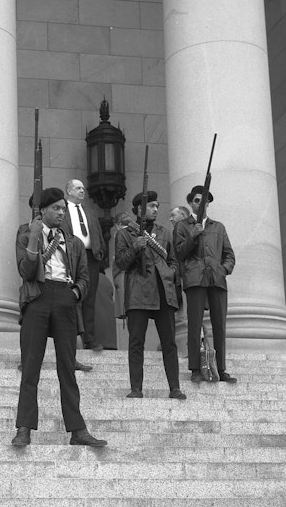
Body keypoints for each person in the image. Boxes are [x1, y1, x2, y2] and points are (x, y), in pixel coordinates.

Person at [11, 187, 106, 448]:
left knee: (68, 367)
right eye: (56, 208)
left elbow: (85, 277)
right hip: (37, 297)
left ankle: (78, 430)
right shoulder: (25, 234)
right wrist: (33, 238)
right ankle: (24, 428)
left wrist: (75, 293)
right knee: (31, 367)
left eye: (63, 209)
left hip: (65, 297)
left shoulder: (73, 241)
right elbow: (26, 271)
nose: (61, 213)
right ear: (42, 210)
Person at [114, 191, 185, 400]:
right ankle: (136, 388)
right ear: (138, 209)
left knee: (169, 342)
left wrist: (171, 272)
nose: (156, 209)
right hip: (138, 291)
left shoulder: (164, 233)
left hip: (164, 289)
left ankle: (175, 387)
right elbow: (120, 263)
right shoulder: (126, 234)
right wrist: (135, 248)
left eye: (157, 206)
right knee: (136, 341)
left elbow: (173, 260)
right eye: (152, 205)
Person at [174, 185, 237, 384]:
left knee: (220, 325)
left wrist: (223, 269)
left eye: (204, 200)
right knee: (194, 325)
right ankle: (195, 369)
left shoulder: (218, 227)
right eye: (196, 200)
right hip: (195, 280)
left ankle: (221, 368)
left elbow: (229, 255)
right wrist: (193, 235)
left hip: (216, 280)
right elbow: (179, 254)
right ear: (191, 203)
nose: (201, 204)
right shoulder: (182, 226)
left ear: (208, 203)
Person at [64, 179, 106, 351]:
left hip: (90, 257)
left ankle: (89, 339)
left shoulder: (89, 212)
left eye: (83, 188)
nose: (82, 191)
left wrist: (100, 252)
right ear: (68, 191)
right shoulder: (63, 210)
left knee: (89, 299)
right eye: (78, 188)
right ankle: (71, 339)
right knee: (70, 297)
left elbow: (98, 235)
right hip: (70, 257)